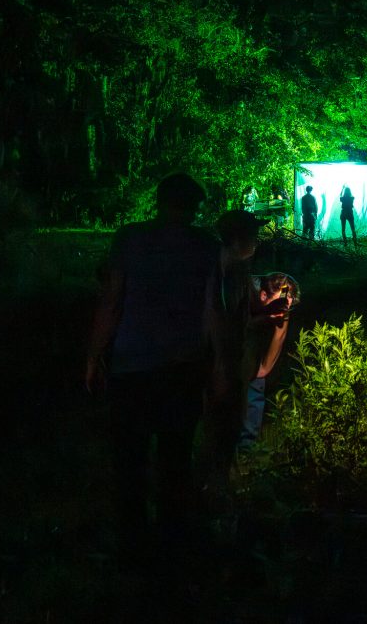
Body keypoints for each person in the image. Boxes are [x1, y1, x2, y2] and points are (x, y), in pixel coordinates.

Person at [85, 173, 220, 563]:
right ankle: (173, 541)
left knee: (130, 456)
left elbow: (112, 301)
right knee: (175, 457)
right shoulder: (206, 246)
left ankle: (132, 544)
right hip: (183, 366)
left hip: (133, 367)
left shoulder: (129, 238)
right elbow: (212, 311)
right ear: (194, 207)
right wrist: (217, 364)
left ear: (159, 200)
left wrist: (94, 355)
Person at [204, 209, 270, 504]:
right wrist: (220, 365)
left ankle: (219, 486)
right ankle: (216, 490)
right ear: (237, 238)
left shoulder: (237, 269)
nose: (257, 240)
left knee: (227, 423)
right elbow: (222, 317)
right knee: (224, 426)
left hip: (230, 359)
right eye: (252, 235)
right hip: (225, 361)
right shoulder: (227, 270)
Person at [239, 273, 301, 448]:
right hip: (232, 350)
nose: (281, 312)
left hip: (254, 355)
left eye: (286, 308)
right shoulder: (245, 291)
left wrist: (263, 370)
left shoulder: (283, 299)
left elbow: (280, 334)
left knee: (255, 389)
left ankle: (246, 452)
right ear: (263, 295)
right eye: (278, 306)